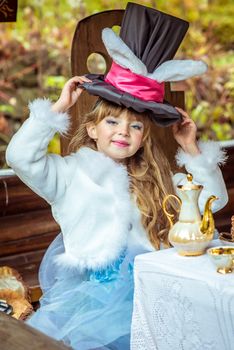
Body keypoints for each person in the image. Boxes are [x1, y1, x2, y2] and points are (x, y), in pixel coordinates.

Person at [5, 3, 228, 349]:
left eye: (135, 125)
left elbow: (214, 202)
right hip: (92, 301)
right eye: (111, 121)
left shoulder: (156, 179)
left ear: (143, 137)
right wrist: (57, 109)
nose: (123, 131)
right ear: (92, 129)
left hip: (153, 287)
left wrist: (192, 149)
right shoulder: (67, 174)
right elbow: (19, 156)